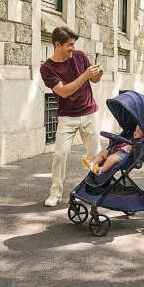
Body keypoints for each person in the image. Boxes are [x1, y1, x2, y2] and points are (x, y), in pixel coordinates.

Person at [40, 26, 104, 207]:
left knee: (95, 155)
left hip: (89, 112)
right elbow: (63, 91)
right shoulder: (47, 68)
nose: (73, 49)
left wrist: (98, 73)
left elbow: (94, 80)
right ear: (57, 45)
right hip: (67, 117)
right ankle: (55, 193)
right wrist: (85, 76)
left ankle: (97, 190)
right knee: (60, 154)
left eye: (74, 44)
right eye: (69, 45)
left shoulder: (80, 56)